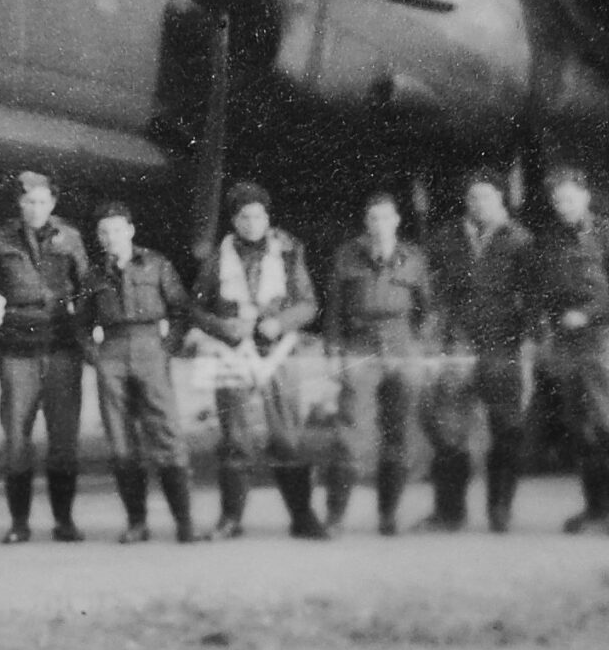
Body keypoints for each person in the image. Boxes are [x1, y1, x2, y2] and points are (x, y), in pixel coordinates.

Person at [192, 182, 329, 540]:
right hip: (232, 352)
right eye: (244, 217)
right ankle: (231, 518)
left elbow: (308, 304)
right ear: (234, 221)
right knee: (235, 438)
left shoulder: (288, 252)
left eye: (257, 216)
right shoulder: (216, 258)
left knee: (287, 437)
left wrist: (280, 323)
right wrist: (222, 327)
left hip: (277, 352)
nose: (251, 223)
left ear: (267, 218)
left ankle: (302, 517)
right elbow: (197, 308)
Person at [0, 171, 91, 543]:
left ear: (52, 203)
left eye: (42, 202)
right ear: (19, 204)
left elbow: (86, 289)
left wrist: (82, 333)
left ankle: (64, 521)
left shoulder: (70, 238)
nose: (36, 208)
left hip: (61, 346)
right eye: (29, 202)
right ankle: (19, 523)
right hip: (17, 348)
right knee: (16, 437)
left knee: (64, 438)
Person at [529, 166, 609, 535]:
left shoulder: (608, 235)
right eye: (557, 200)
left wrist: (589, 315)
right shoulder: (549, 240)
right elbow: (543, 289)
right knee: (578, 426)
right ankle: (596, 507)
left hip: (604, 341)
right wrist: (545, 324)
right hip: (566, 342)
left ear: (585, 197)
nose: (564, 206)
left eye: (570, 199)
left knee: (607, 421)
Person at [80, 201, 200, 544]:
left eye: (117, 230)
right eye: (104, 232)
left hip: (150, 348)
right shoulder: (93, 275)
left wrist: (167, 348)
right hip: (112, 351)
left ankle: (185, 522)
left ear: (130, 231)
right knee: (120, 438)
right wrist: (95, 355)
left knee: (166, 432)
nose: (111, 237)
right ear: (98, 237)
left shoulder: (156, 264)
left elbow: (180, 309)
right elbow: (81, 324)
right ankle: (137, 522)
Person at [422, 172, 534, 532]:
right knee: (449, 429)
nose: (479, 204)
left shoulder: (520, 240)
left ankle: (500, 509)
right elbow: (434, 293)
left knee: (507, 429)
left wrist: (527, 346)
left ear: (501, 199)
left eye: (486, 197)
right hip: (458, 345)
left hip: (502, 345)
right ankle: (449, 513)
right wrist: (436, 340)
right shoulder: (447, 239)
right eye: (472, 198)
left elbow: (532, 298)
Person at [322, 191, 435, 535]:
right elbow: (334, 308)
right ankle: (335, 516)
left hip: (401, 345)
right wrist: (333, 351)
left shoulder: (413, 258)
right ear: (366, 222)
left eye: (386, 217)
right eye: (374, 218)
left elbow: (428, 308)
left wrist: (421, 348)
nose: (380, 224)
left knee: (398, 432)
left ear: (396, 221)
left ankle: (388, 515)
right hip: (360, 345)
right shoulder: (348, 256)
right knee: (350, 431)